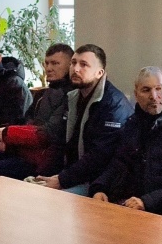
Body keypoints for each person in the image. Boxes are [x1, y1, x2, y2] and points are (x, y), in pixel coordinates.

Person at [0, 42, 74, 179]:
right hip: (19, 147)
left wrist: (6, 134)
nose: (48, 68)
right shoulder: (43, 93)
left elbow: (48, 133)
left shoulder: (69, 95)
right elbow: (25, 121)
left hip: (38, 159)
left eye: (55, 63)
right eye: (46, 63)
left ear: (70, 65)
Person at [89, 66, 162, 214]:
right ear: (136, 94)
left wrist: (147, 202)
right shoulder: (133, 123)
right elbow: (119, 162)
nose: (154, 96)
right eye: (146, 90)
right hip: (128, 204)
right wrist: (100, 188)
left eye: (159, 89)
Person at [40, 44, 132, 194]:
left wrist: (61, 180)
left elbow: (99, 157)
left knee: (49, 198)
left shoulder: (114, 105)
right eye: (73, 63)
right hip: (74, 174)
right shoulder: (73, 97)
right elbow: (60, 143)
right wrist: (45, 174)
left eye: (84, 65)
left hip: (100, 182)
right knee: (31, 189)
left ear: (99, 73)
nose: (75, 69)